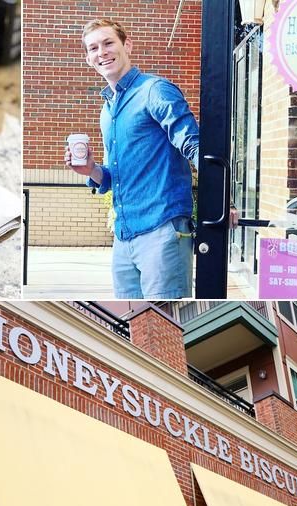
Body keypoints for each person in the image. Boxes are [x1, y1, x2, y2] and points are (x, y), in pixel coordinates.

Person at [65, 18, 236, 299]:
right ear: (88, 59)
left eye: (108, 43)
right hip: (123, 237)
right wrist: (91, 169)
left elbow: (196, 147)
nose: (102, 52)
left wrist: (224, 200)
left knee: (165, 314)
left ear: (127, 45)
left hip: (163, 230)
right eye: (94, 48)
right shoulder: (106, 111)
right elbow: (111, 176)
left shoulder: (154, 91)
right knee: (137, 317)